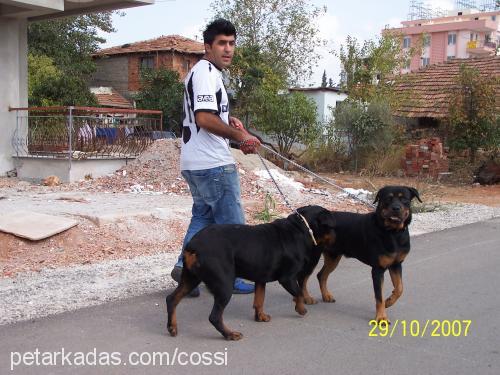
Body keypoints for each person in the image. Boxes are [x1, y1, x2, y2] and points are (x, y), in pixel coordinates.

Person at [170, 18, 261, 296]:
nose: (228, 49)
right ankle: (231, 277)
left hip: (195, 162)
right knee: (233, 228)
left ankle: (182, 267)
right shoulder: (206, 73)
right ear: (207, 46)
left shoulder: (203, 73)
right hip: (213, 165)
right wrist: (240, 138)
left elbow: (210, 117)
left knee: (204, 219)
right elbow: (205, 119)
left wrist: (231, 124)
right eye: (222, 43)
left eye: (232, 43)